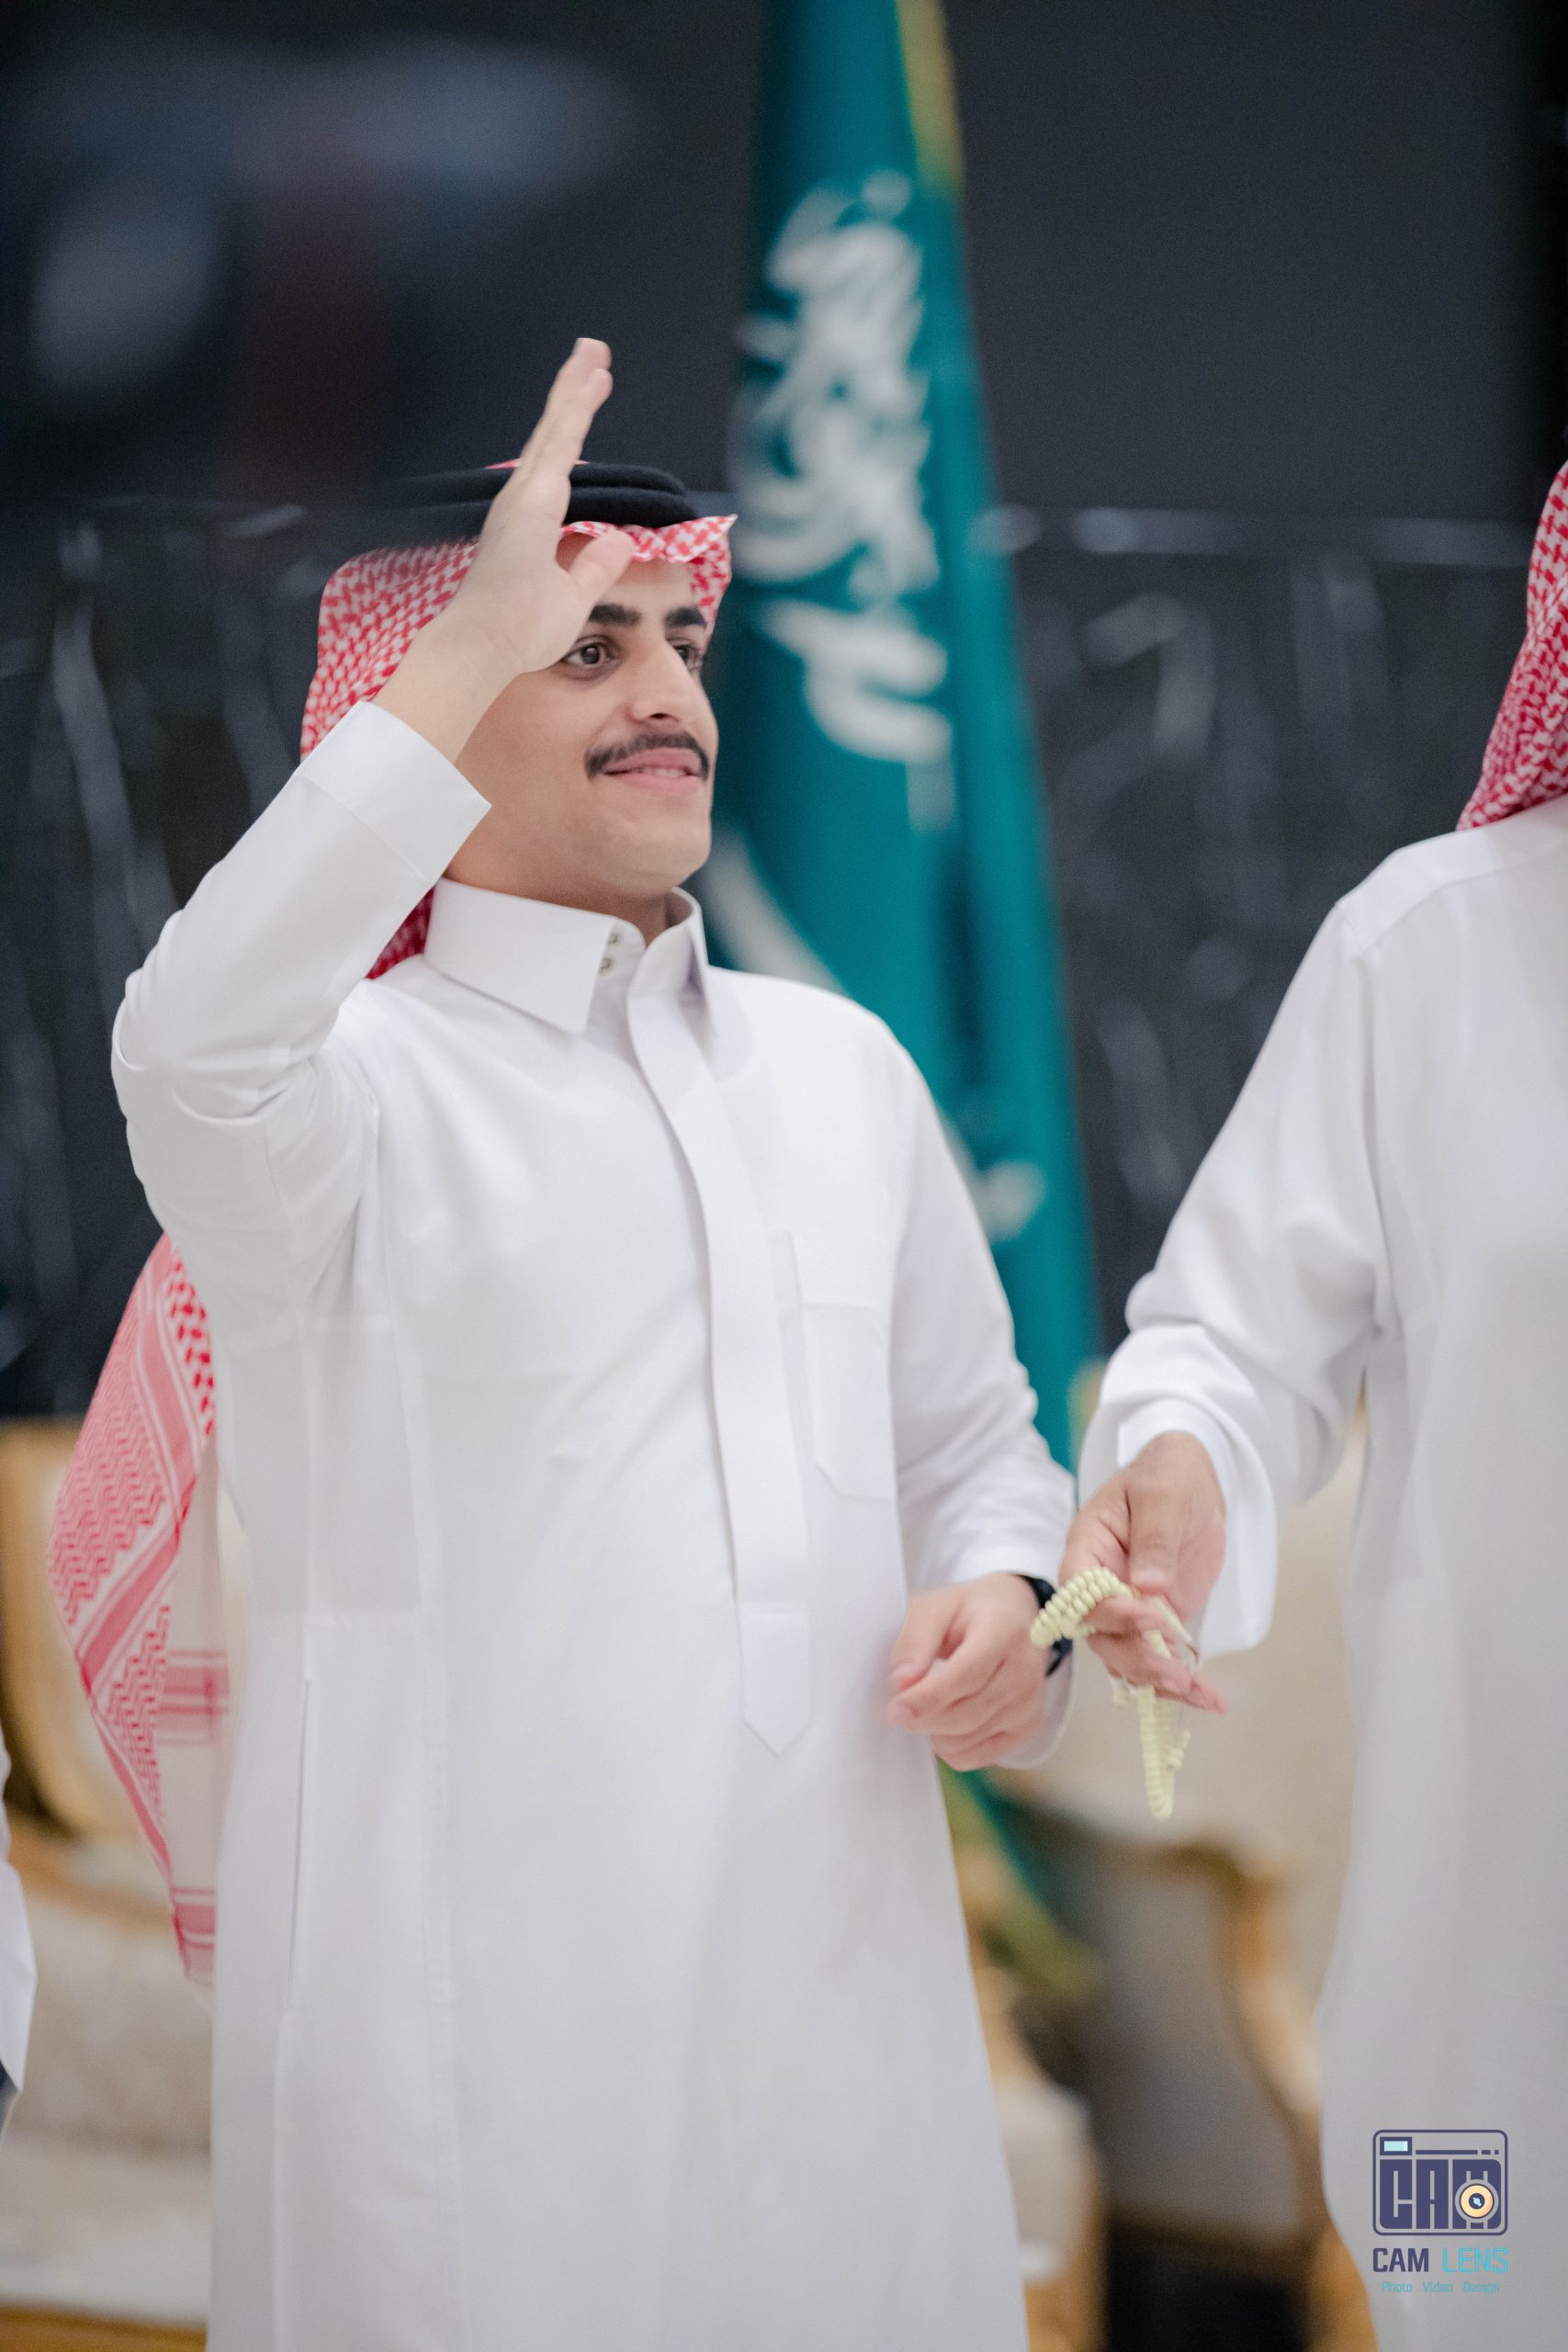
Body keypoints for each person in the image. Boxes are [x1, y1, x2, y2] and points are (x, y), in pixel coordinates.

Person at [51, 341, 1086, 2352]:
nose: (666, 691)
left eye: (680, 638)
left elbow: (976, 1444)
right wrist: (468, 648)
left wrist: (1010, 1595)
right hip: (466, 2057)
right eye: (582, 646)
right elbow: (182, 1044)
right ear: (425, 703)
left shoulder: (841, 1071)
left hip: (840, 2024)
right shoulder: (336, 1098)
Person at [1061, 458, 1568, 2347]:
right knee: (1472, 2283)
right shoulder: (1431, 947)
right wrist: (1178, 1455)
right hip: (1503, 1963)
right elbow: (1224, 1332)